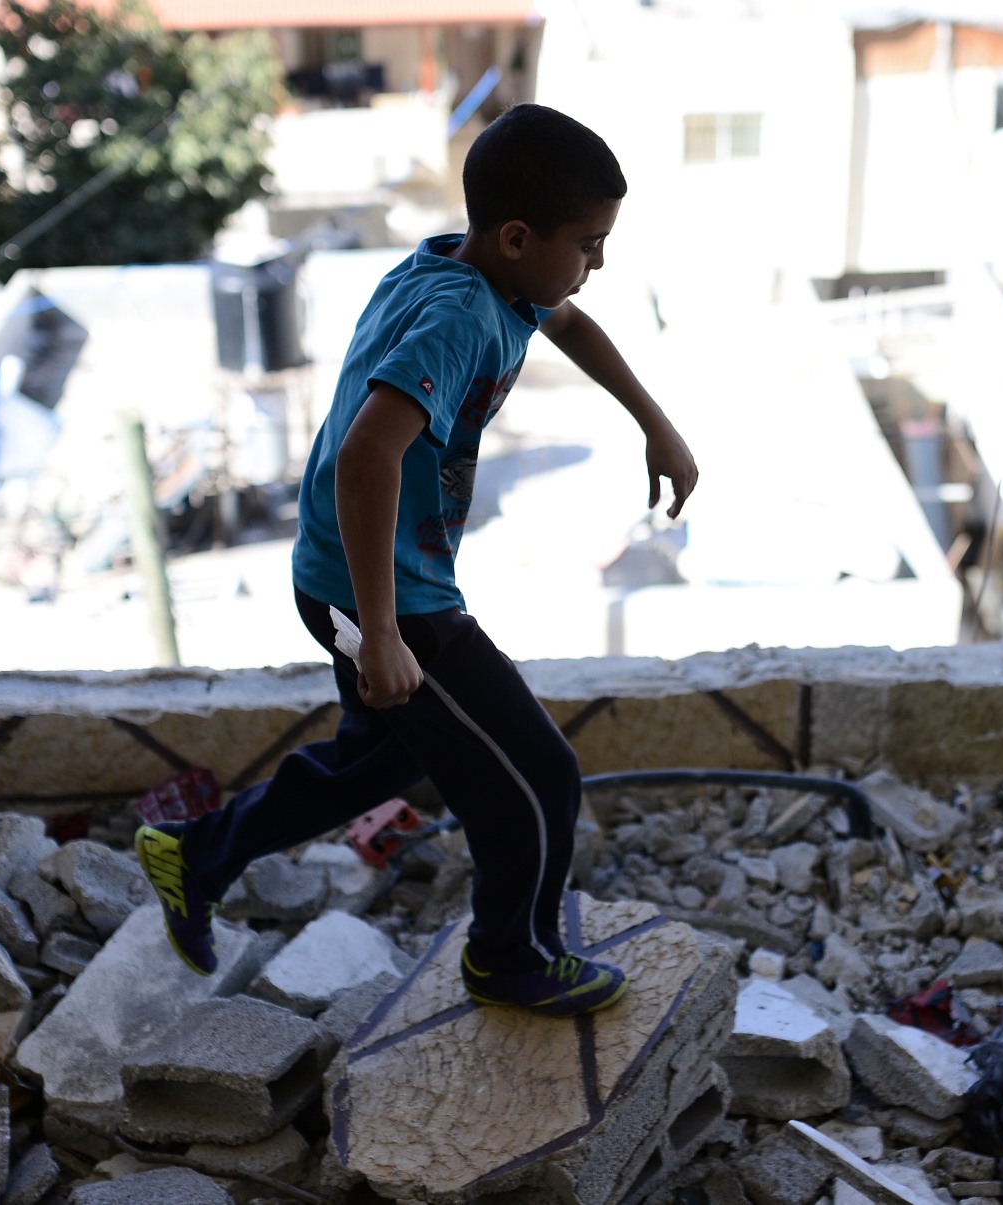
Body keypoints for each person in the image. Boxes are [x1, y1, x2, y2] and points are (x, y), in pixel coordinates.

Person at [134, 104, 697, 1019]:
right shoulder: (458, 318)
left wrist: (655, 422)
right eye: (589, 244)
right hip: (386, 591)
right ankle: (508, 956)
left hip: (339, 571)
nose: (597, 264)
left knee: (381, 762)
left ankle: (198, 853)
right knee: (537, 778)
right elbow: (367, 456)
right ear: (518, 237)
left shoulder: (470, 262)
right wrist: (383, 632)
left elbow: (567, 319)